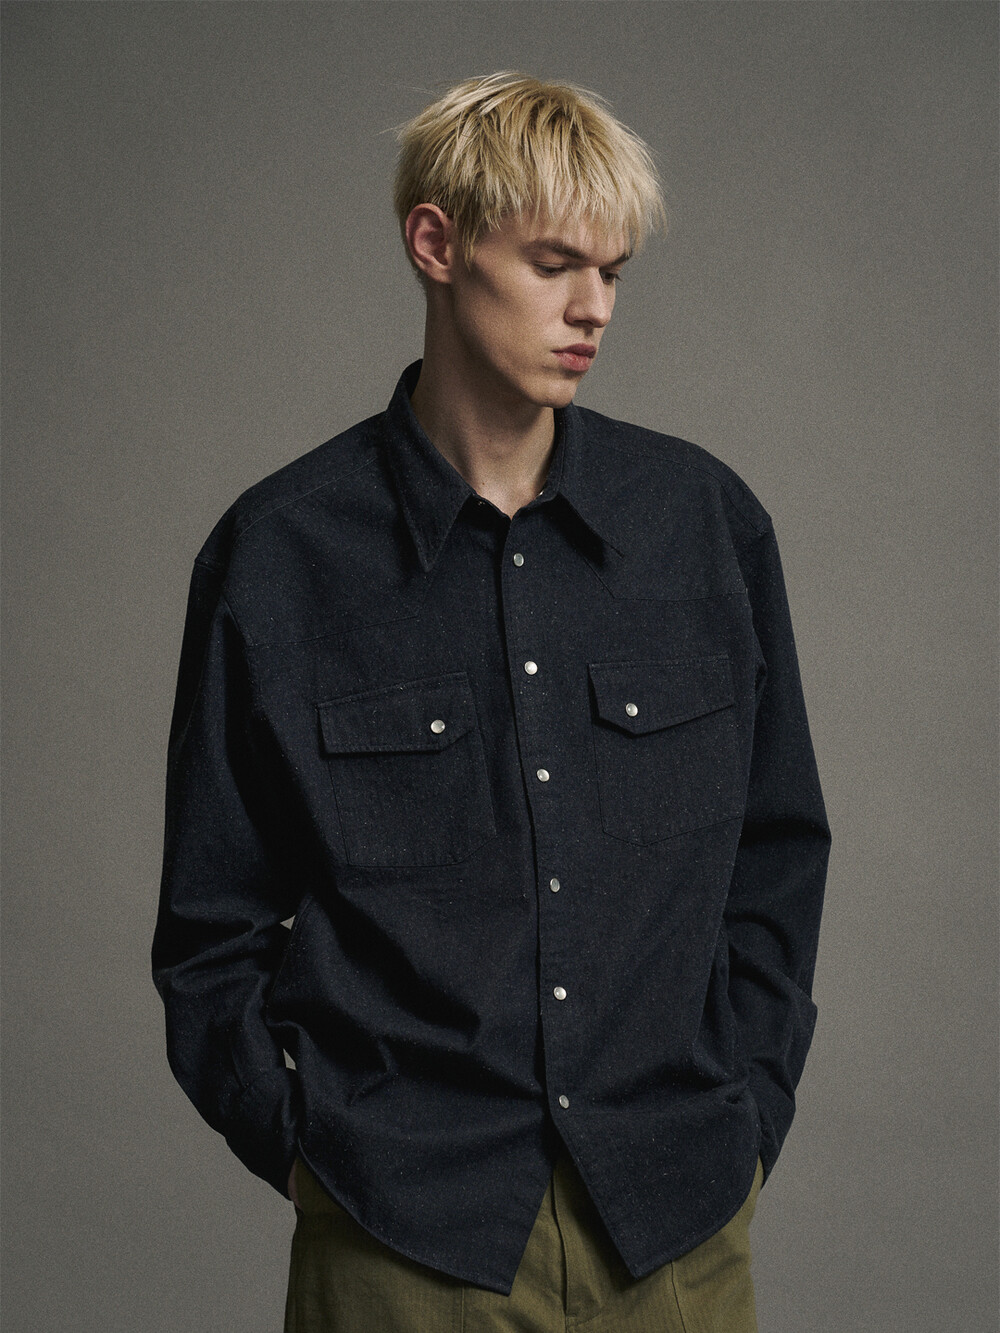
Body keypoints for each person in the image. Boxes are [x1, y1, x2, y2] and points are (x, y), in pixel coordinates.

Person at [152, 71, 830, 1333]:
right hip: (401, 1240)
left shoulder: (702, 527)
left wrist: (747, 1112)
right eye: (554, 263)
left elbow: (777, 853)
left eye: (612, 273)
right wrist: (308, 1152)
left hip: (678, 1224)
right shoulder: (280, 556)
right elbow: (208, 927)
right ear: (436, 243)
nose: (593, 308)